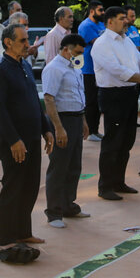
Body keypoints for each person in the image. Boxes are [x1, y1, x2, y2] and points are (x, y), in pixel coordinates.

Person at [91, 6, 140, 201]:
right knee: (113, 141)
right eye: (121, 18)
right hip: (113, 96)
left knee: (127, 140)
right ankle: (105, 186)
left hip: (129, 94)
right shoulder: (102, 44)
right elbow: (118, 71)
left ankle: (119, 181)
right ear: (110, 21)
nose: (126, 21)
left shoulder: (126, 41)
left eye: (126, 18)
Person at [0, 23, 54, 258]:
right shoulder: (0, 71)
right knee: (14, 186)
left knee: (29, 186)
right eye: (23, 41)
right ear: (8, 42)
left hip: (31, 136)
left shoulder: (24, 66)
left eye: (28, 40)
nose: (28, 45)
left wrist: (46, 129)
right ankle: (6, 238)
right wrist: (14, 140)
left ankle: (23, 231)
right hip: (13, 140)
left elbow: (34, 101)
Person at [42, 34, 90, 228]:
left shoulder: (75, 67)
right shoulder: (54, 68)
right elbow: (49, 99)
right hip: (62, 120)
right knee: (59, 167)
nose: (80, 55)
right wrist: (58, 128)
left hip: (76, 118)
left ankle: (68, 205)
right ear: (66, 49)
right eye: (77, 52)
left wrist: (84, 121)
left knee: (74, 166)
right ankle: (53, 212)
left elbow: (78, 94)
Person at [78, 0, 106, 141]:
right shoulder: (86, 26)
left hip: (99, 69)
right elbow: (99, 43)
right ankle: (89, 132)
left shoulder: (100, 24)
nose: (103, 13)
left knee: (98, 101)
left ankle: (95, 130)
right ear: (92, 11)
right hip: (88, 69)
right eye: (100, 10)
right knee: (91, 101)